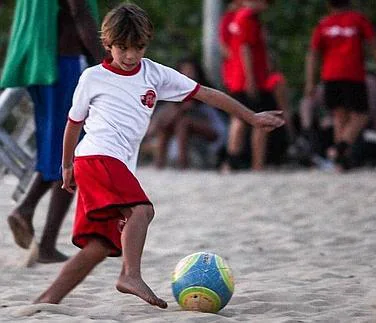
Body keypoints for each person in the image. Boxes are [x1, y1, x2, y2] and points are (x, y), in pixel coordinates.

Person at [34, 3, 283, 308]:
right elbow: (73, 124)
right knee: (142, 211)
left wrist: (252, 118)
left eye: (137, 48)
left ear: (146, 44)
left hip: (110, 166)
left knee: (99, 246)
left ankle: (46, 300)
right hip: (96, 158)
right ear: (108, 44)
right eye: (122, 48)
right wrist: (66, 165)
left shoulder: (154, 73)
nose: (129, 56)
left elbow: (206, 93)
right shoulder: (92, 78)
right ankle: (130, 274)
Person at [0, 0, 103, 264]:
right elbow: (79, 11)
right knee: (71, 155)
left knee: (56, 151)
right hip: (61, 64)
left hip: (38, 62)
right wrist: (108, 63)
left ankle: (26, 211)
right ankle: (45, 242)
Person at [304, 0, 376, 171]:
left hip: (330, 76)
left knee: (339, 117)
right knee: (361, 114)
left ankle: (340, 160)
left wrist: (310, 81)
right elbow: (374, 48)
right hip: (353, 75)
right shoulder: (358, 20)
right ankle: (341, 149)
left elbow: (313, 55)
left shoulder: (324, 24)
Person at [223, 0, 276, 171]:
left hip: (240, 77)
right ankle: (257, 164)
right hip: (251, 79)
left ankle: (232, 160)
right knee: (260, 119)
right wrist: (251, 79)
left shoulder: (239, 17)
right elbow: (245, 48)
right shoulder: (247, 18)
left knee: (239, 118)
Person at [147, 57, 228, 169]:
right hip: (184, 130)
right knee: (170, 125)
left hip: (214, 132)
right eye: (184, 71)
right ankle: (160, 163)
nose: (188, 74)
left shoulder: (203, 91)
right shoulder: (174, 94)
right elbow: (159, 124)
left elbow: (214, 121)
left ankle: (182, 163)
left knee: (183, 123)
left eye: (190, 70)